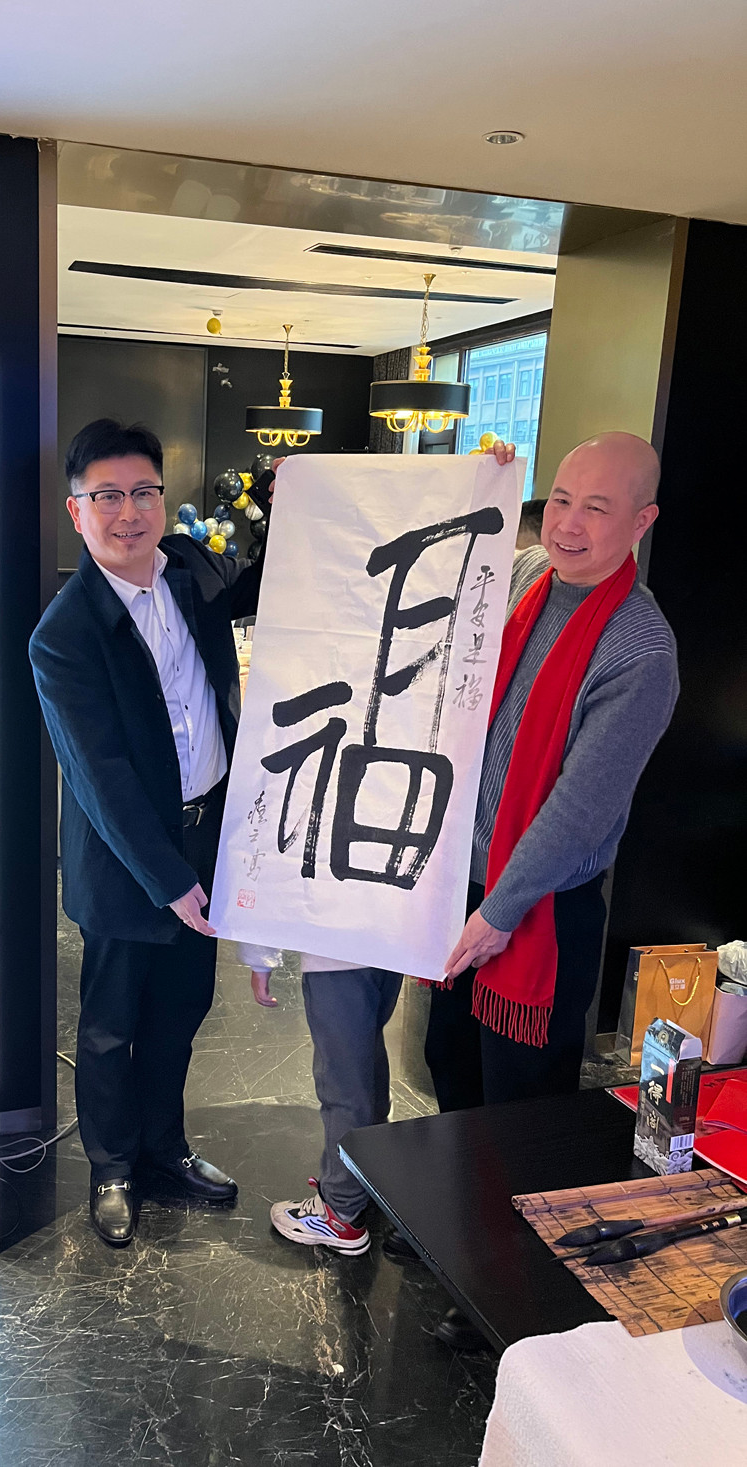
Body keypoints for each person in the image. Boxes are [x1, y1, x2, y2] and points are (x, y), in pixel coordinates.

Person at [415, 431, 679, 1347]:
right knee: (452, 1066)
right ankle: (455, 1228)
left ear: (641, 521)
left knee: (521, 1111)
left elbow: (579, 809)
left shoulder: (639, 647)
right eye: (559, 498)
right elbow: (442, 552)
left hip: (538, 915)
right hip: (465, 883)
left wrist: (499, 911)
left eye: (596, 508)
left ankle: (507, 1287)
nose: (567, 522)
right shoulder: (529, 574)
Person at [29, 419, 271, 1247]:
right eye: (107, 496)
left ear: (163, 499)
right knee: (110, 1025)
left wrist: (296, 501)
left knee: (182, 1007)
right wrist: (169, 878)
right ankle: (112, 1167)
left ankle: (164, 1149)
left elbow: (273, 582)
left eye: (142, 492)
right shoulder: (65, 635)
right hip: (128, 860)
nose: (127, 512)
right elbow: (101, 779)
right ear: (77, 509)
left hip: (207, 834)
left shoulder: (193, 570)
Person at [241, 942, 402, 1256]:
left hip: (335, 949)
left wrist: (260, 959)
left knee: (343, 1083)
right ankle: (369, 1176)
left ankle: (341, 1213)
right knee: (368, 1055)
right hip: (390, 946)